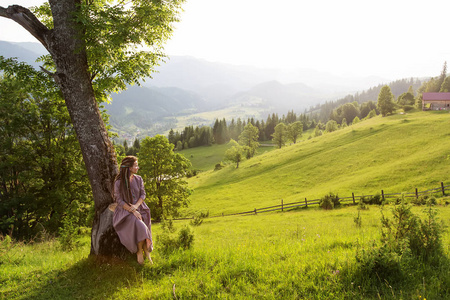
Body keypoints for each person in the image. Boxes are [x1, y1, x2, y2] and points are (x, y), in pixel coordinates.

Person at [113, 156, 153, 264]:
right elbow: (119, 200)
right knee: (140, 226)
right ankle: (139, 251)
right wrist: (132, 210)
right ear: (129, 167)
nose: (138, 167)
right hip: (124, 211)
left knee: (143, 220)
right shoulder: (118, 182)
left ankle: (146, 252)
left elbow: (143, 194)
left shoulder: (139, 179)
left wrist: (136, 206)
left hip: (140, 207)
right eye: (136, 165)